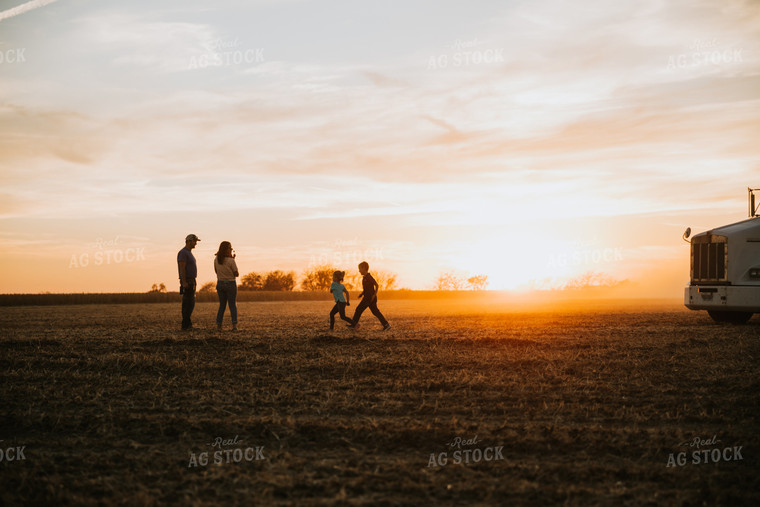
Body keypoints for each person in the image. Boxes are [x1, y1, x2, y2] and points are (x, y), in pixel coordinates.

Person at [348, 261, 391, 330]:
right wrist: (362, 294)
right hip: (368, 298)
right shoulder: (364, 278)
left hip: (369, 298)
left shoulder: (369, 277)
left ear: (364, 268)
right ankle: (386, 325)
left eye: (360, 269)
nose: (359, 271)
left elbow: (376, 285)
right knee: (375, 312)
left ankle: (354, 325)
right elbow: (366, 289)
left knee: (358, 309)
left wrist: (374, 295)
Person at [214, 241, 239, 331]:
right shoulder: (231, 260)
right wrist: (233, 261)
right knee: (232, 305)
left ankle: (219, 325)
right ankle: (234, 326)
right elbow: (236, 274)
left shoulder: (216, 260)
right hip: (230, 284)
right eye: (230, 248)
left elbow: (216, 271)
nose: (231, 250)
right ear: (227, 249)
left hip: (220, 283)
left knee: (222, 305)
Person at [177, 234, 200, 330]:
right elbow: (182, 268)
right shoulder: (183, 253)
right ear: (189, 241)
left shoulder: (188, 252)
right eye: (195, 241)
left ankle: (188, 323)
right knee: (187, 303)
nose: (196, 243)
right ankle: (185, 325)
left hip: (192, 280)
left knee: (191, 302)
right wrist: (184, 282)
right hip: (188, 280)